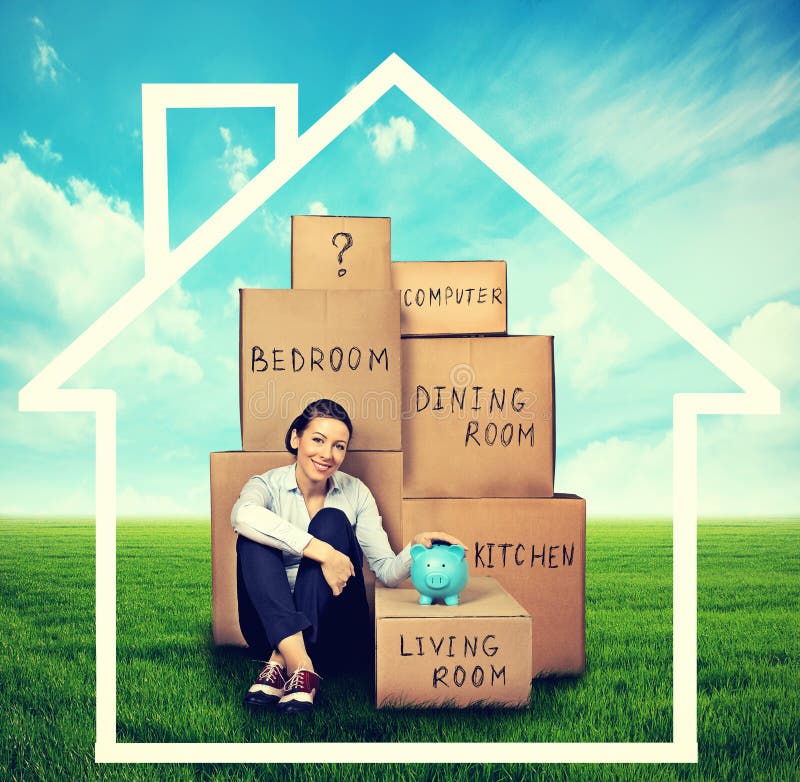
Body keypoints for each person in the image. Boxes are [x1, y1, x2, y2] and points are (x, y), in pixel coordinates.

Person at [231, 398, 464, 714]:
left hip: (334, 628)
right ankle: (299, 663)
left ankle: (280, 661)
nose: (327, 454)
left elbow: (386, 571)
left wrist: (415, 548)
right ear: (295, 438)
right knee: (251, 537)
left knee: (332, 519)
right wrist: (323, 552)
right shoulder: (266, 486)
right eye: (318, 440)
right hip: (266, 626)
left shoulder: (355, 492)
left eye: (339, 446)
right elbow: (242, 516)